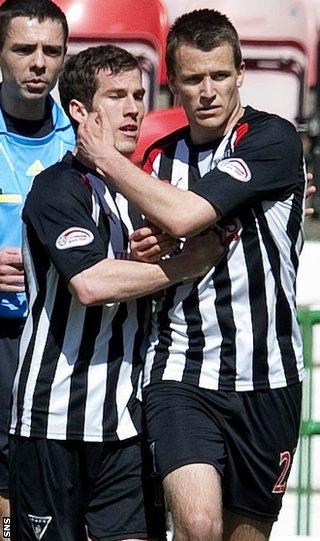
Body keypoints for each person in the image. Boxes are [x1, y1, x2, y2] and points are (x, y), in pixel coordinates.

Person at [76, 9, 307, 541]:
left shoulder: (271, 140)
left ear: (241, 73)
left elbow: (184, 215)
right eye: (194, 78)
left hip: (269, 377)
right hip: (182, 371)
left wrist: (106, 159)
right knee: (198, 527)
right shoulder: (158, 158)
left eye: (220, 76)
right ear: (173, 81)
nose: (208, 91)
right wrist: (151, 246)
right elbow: (136, 243)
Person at [9, 43, 223, 541]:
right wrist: (182, 266)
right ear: (79, 111)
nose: (133, 108)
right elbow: (90, 284)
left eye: (139, 95)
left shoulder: (139, 191)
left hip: (125, 428)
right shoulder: (58, 189)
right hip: (53, 422)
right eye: (116, 96)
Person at [0, 0, 75, 531]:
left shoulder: (84, 137)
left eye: (51, 51)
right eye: (23, 49)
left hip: (65, 339)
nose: (38, 63)